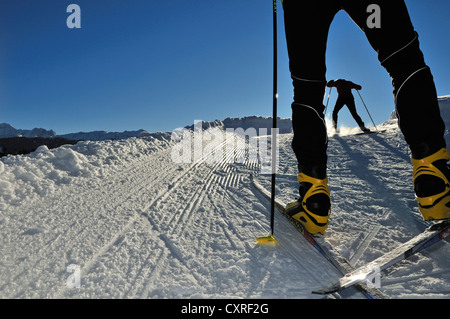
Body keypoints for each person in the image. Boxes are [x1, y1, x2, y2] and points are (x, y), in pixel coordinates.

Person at [282, 0, 450, 235]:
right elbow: (347, 84)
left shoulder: (344, 84)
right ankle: (434, 179)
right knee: (403, 58)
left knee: (307, 90)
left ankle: (313, 201)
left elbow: (349, 85)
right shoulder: (342, 84)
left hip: (305, 7)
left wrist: (352, 87)